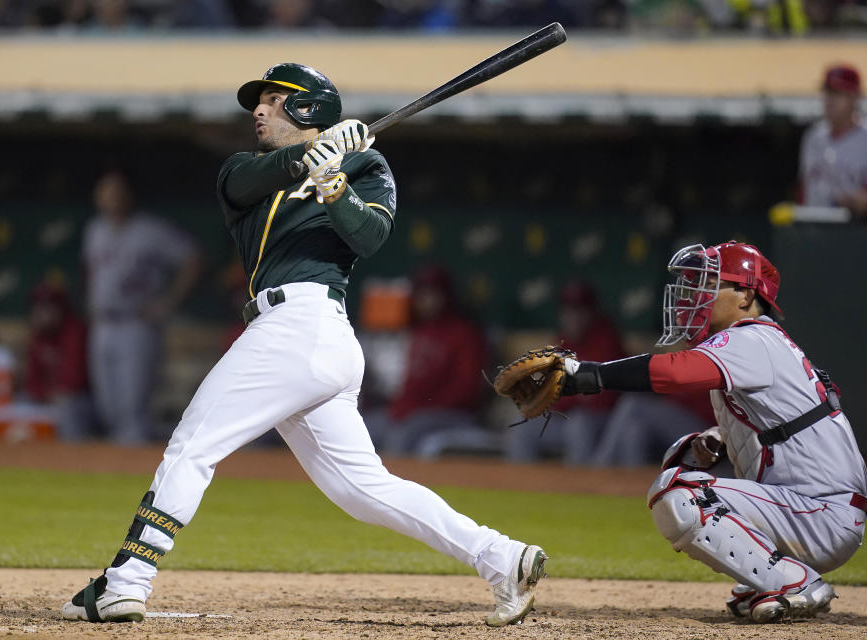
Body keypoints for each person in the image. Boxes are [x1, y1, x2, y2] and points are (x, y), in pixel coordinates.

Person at [62, 63, 547, 627]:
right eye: (257, 103)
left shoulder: (366, 163)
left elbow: (368, 236)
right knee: (362, 491)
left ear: (310, 107)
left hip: (309, 328)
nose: (259, 111)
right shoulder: (244, 170)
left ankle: (126, 581)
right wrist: (308, 156)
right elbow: (249, 180)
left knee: (193, 446)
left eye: (273, 99)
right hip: (294, 337)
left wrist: (336, 183)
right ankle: (502, 558)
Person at [549, 241, 866, 623]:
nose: (693, 297)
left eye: (708, 284)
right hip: (810, 510)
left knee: (679, 494)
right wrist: (715, 439)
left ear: (746, 294)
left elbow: (676, 372)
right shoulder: (760, 341)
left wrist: (592, 374)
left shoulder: (751, 337)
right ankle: (774, 574)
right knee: (683, 469)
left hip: (821, 515)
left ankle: (794, 582)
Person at [82, 169, 201, 444]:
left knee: (132, 411)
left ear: (128, 196)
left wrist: (169, 301)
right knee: (107, 407)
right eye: (104, 192)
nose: (110, 198)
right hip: (102, 325)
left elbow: (192, 257)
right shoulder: (95, 229)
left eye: (115, 192)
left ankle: (132, 474)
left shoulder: (149, 230)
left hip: (136, 324)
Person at [363, 265, 491, 457]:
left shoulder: (464, 333)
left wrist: (418, 408)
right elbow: (409, 385)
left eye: (432, 294)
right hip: (413, 412)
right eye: (421, 295)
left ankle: (399, 487)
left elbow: (466, 390)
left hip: (453, 414)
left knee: (402, 436)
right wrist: (404, 407)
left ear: (446, 296)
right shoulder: (419, 331)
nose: (426, 301)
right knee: (362, 428)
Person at [505, 281, 625, 464]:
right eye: (568, 311)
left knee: (579, 424)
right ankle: (520, 485)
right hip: (569, 417)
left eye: (579, 311)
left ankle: (581, 487)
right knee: (523, 423)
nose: (573, 317)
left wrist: (568, 394)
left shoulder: (607, 341)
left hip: (602, 424)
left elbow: (602, 399)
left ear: (592, 312)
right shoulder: (562, 342)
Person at [23, 281, 93, 441]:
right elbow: (31, 380)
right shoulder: (37, 335)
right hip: (49, 397)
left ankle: (71, 456)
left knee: (66, 406)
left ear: (59, 308)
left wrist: (46, 393)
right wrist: (42, 393)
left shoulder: (75, 330)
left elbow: (73, 382)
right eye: (38, 308)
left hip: (82, 401)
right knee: (23, 402)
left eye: (48, 307)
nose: (43, 314)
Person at [799, 63, 867, 219]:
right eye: (828, 93)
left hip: (854, 230)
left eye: (838, 93)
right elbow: (803, 189)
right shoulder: (813, 137)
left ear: (855, 96)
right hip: (814, 228)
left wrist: (853, 200)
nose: (830, 100)